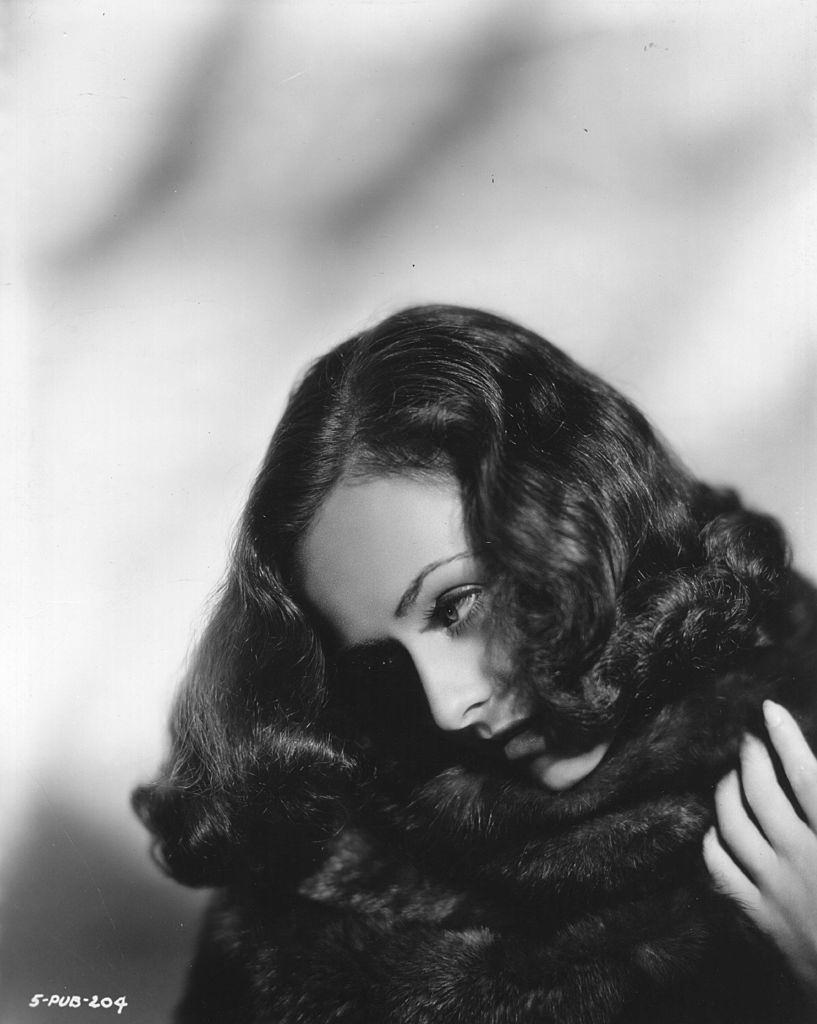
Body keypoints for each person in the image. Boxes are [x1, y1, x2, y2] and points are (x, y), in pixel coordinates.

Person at [134, 305, 817, 1023]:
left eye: (456, 604)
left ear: (581, 517)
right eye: (381, 663)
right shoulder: (306, 915)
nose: (446, 704)